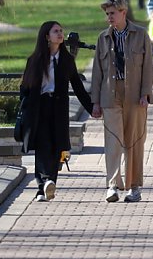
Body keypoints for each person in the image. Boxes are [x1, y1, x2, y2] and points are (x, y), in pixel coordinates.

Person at [18, 21, 96, 202]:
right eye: (56, 31)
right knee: (42, 146)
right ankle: (43, 185)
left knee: (56, 146)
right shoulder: (35, 60)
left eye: (61, 31)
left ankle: (49, 183)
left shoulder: (67, 60)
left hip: (59, 108)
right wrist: (25, 107)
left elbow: (78, 86)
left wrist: (91, 108)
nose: (60, 34)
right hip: (40, 107)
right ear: (47, 36)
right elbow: (25, 88)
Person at [91, 0, 153, 203]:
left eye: (112, 13)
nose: (109, 17)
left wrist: (145, 93)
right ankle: (113, 185)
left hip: (134, 95)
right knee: (113, 142)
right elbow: (97, 72)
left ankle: (134, 187)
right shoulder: (103, 38)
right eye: (107, 14)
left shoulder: (140, 35)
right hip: (110, 95)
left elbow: (148, 67)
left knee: (134, 141)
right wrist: (95, 102)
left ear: (123, 12)